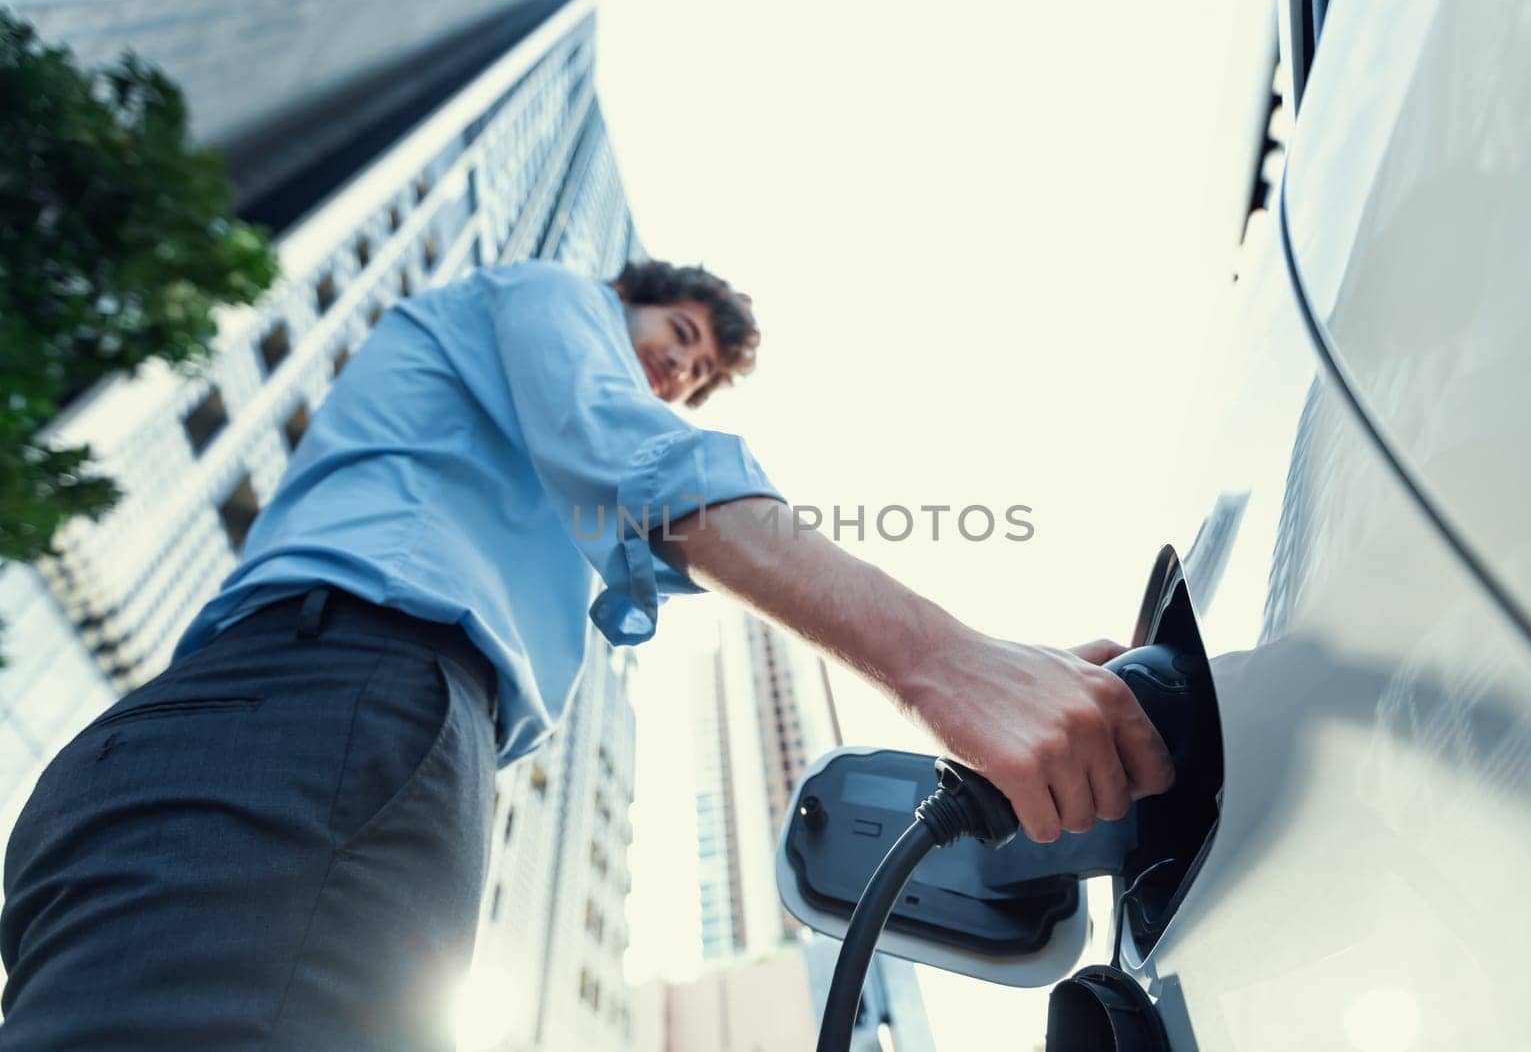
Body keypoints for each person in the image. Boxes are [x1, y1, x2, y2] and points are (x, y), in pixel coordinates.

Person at [0, 257, 1174, 1049]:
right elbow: (649, 462)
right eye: (676, 338)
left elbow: (691, 542)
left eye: (701, 373)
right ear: (618, 301)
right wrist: (951, 664)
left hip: (282, 731)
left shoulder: (536, 491)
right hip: (325, 709)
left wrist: (1006, 660)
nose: (681, 372)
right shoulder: (547, 291)